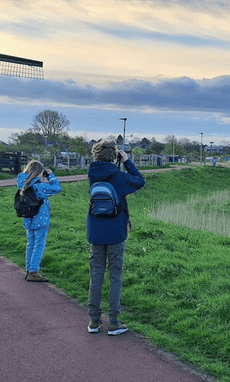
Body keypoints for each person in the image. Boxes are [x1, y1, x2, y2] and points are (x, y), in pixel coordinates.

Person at [86, 140, 145, 335]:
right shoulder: (119, 177)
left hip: (95, 231)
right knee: (115, 276)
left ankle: (94, 321)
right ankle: (113, 321)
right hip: (116, 232)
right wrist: (126, 161)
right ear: (114, 156)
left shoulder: (91, 174)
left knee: (96, 275)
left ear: (96, 155)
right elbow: (139, 180)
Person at [16, 160, 62, 282]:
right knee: (39, 245)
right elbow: (57, 188)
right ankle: (34, 271)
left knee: (30, 244)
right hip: (40, 219)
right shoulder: (39, 187)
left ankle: (29, 269)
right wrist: (50, 175)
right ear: (38, 172)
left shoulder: (22, 183)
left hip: (28, 218)